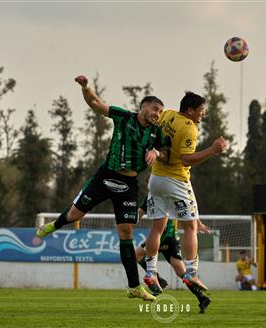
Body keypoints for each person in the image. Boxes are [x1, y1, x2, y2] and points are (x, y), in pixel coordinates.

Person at [36, 75, 167, 302]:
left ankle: (134, 287)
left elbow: (166, 152)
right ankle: (54, 225)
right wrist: (86, 87)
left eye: (160, 112)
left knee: (126, 233)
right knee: (75, 215)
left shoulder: (156, 133)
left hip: (128, 184)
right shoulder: (124, 117)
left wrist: (157, 152)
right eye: (155, 109)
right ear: (143, 106)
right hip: (105, 176)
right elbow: (95, 103)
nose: (157, 114)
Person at [144, 91, 228, 293]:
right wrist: (212, 150)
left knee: (157, 229)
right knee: (190, 227)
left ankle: (150, 272)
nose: (203, 114)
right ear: (190, 110)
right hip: (176, 179)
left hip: (155, 179)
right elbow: (186, 159)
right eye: (201, 110)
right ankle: (191, 272)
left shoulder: (167, 114)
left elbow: (156, 131)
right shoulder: (189, 128)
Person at [135, 187, 211, 313]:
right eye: (149, 183)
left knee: (136, 255)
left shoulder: (170, 191)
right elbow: (140, 212)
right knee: (181, 271)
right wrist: (129, 218)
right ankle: (201, 297)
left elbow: (188, 209)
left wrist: (197, 222)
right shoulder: (150, 196)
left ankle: (158, 280)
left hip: (166, 235)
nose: (151, 184)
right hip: (168, 238)